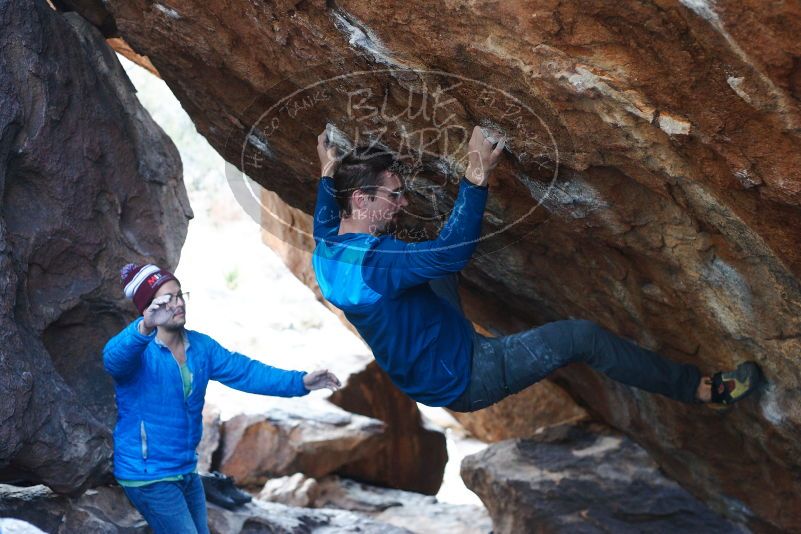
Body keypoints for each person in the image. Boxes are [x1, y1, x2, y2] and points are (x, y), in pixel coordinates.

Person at [310, 126, 762, 413]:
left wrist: (328, 169)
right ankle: (701, 390)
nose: (403, 201)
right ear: (362, 201)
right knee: (579, 337)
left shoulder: (328, 243)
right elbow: (450, 256)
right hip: (466, 376)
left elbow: (323, 211)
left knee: (432, 262)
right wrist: (476, 174)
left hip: (423, 361)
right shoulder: (381, 263)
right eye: (394, 194)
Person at [103, 263, 341, 534]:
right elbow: (112, 360)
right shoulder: (138, 351)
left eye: (180, 295)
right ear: (148, 308)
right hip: (146, 475)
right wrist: (144, 327)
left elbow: (247, 372)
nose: (178, 304)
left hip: (184, 469)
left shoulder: (201, 347)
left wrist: (300, 382)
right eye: (166, 299)